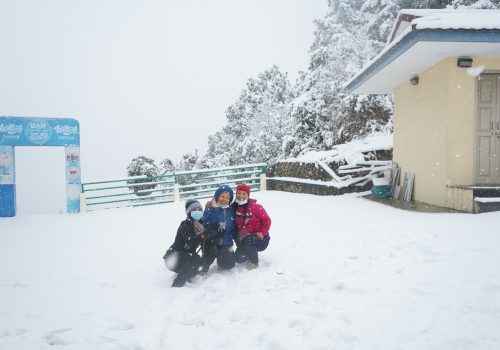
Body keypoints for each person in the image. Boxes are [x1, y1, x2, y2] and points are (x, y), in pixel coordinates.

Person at [163, 199, 205, 287]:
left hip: (187, 255)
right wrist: (204, 234)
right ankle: (176, 287)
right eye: (194, 210)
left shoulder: (200, 225)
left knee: (199, 264)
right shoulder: (185, 225)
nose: (197, 212)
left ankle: (187, 274)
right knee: (190, 265)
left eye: (199, 210)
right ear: (189, 212)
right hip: (173, 256)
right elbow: (191, 242)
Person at [232, 183, 271, 270]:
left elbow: (267, 220)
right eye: (239, 193)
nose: (241, 196)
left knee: (249, 240)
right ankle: (250, 252)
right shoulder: (234, 207)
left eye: (244, 193)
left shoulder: (256, 207)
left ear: (248, 195)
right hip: (244, 238)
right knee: (238, 258)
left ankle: (254, 262)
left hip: (260, 239)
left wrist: (263, 233)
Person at [200, 184, 236, 273]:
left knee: (229, 264)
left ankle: (221, 258)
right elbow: (206, 223)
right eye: (222, 196)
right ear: (217, 196)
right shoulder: (210, 208)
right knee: (207, 258)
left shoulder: (231, 210)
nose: (224, 199)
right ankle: (205, 264)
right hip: (212, 241)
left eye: (227, 197)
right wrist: (215, 210)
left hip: (226, 243)